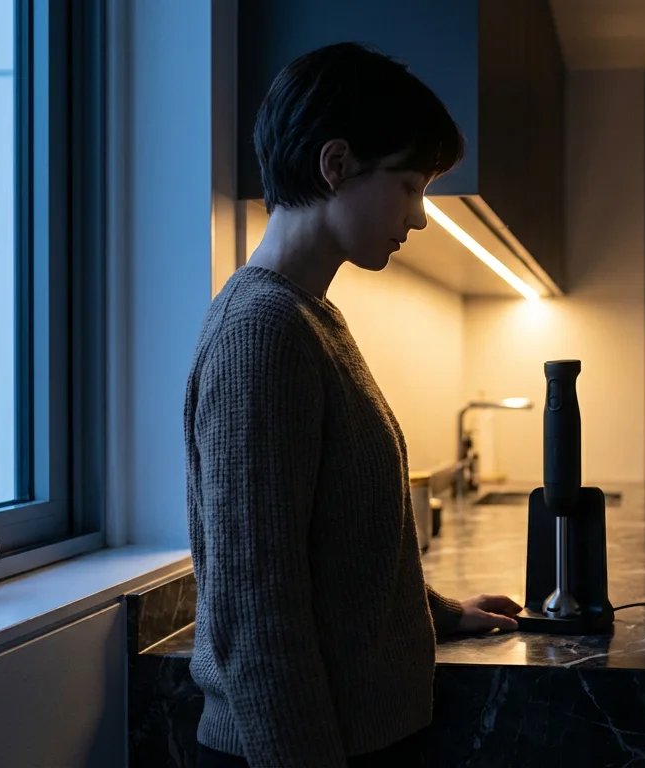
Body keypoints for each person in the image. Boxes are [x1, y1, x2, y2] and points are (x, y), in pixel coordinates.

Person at [183, 42, 524, 768]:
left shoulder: (306, 317)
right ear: (336, 164)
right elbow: (256, 606)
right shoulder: (263, 332)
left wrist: (436, 613)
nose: (420, 217)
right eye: (409, 185)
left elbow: (336, 548)